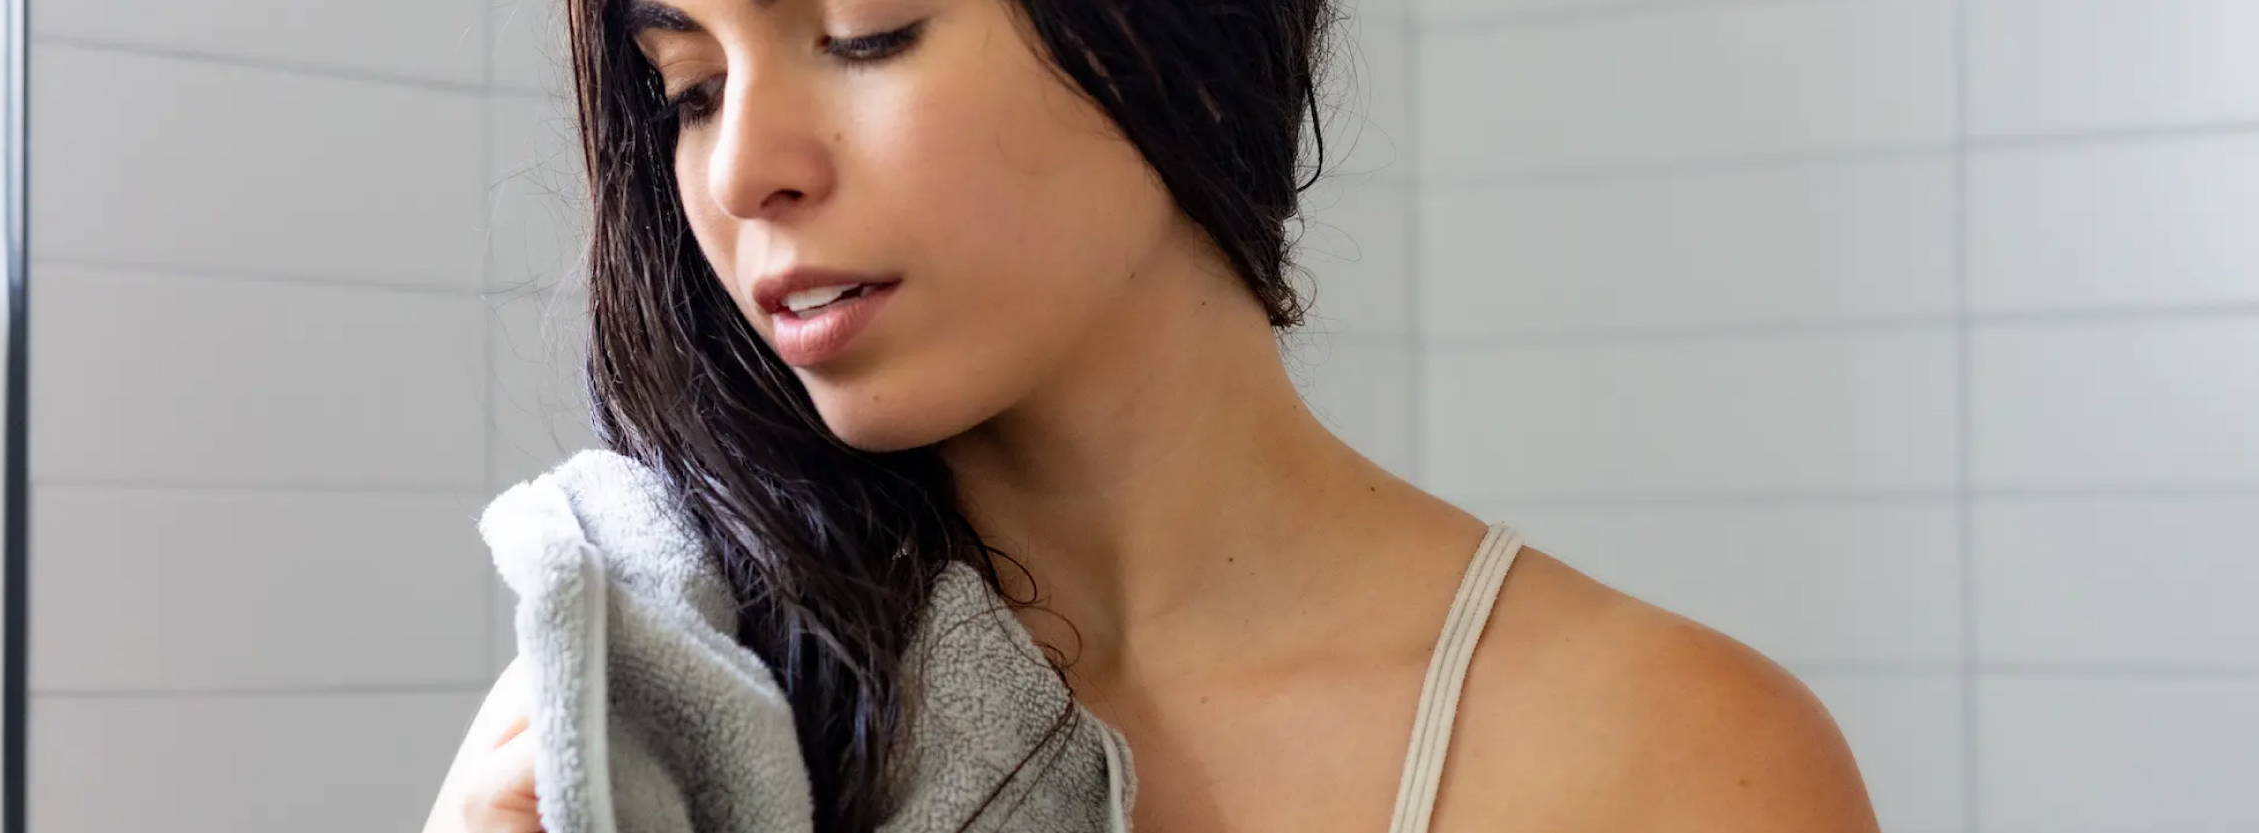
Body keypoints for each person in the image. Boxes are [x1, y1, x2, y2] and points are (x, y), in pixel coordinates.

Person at [427, 0, 1879, 830]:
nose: (744, 168)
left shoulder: (1668, 758)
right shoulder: (667, 709)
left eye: (867, 29)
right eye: (686, 85)